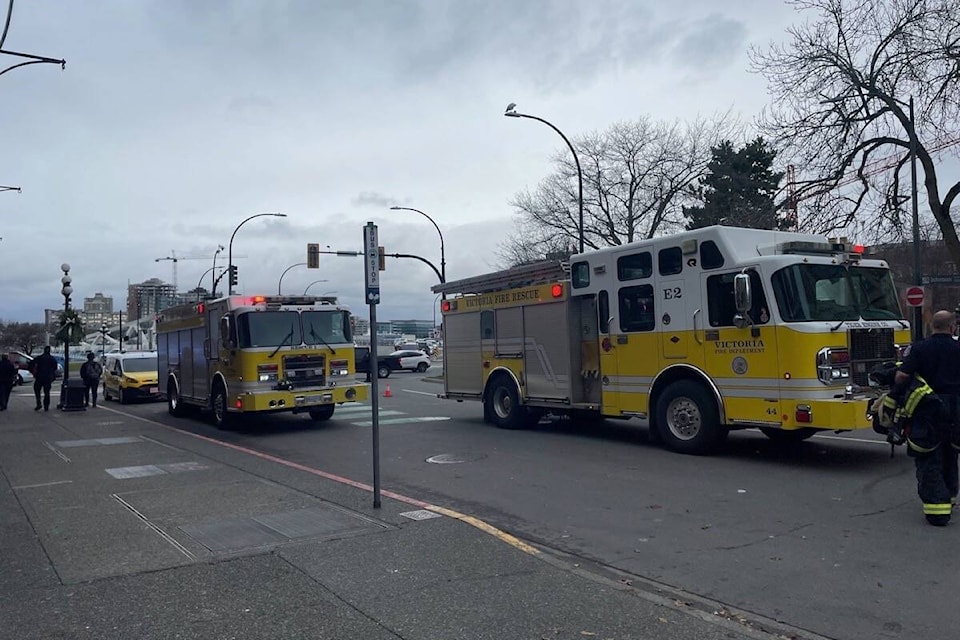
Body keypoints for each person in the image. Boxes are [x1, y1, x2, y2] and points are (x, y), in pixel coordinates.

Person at [893, 309, 960, 526]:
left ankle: (937, 509)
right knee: (950, 453)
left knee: (929, 454)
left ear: (932, 326)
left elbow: (902, 376)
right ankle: (948, 497)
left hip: (928, 409)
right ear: (953, 328)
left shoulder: (920, 348)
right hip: (956, 410)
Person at [31, 346, 59, 412]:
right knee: (47, 392)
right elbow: (55, 367)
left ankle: (38, 403)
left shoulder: (39, 358)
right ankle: (46, 406)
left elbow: (31, 363)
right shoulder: (52, 359)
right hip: (48, 377)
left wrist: (34, 372)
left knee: (37, 390)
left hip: (39, 376)